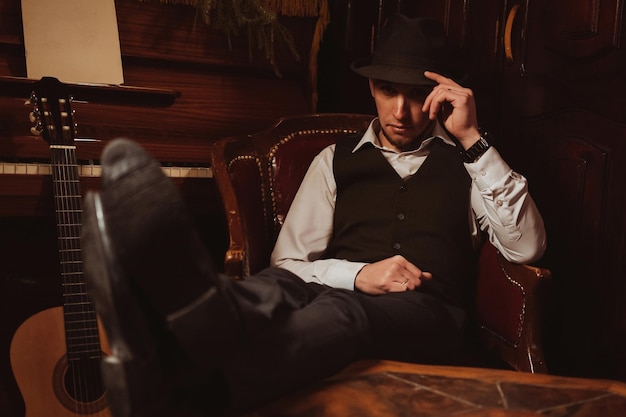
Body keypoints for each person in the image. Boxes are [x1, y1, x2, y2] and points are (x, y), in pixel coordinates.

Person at [81, 13, 546, 417]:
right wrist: (359, 273)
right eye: (388, 90)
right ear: (370, 87)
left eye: (416, 94)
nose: (401, 111)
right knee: (277, 287)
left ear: (439, 94)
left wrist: (472, 139)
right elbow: (288, 266)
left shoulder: (471, 164)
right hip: (338, 294)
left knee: (341, 311)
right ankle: (194, 331)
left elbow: (526, 246)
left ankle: (180, 370)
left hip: (431, 317)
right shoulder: (332, 160)